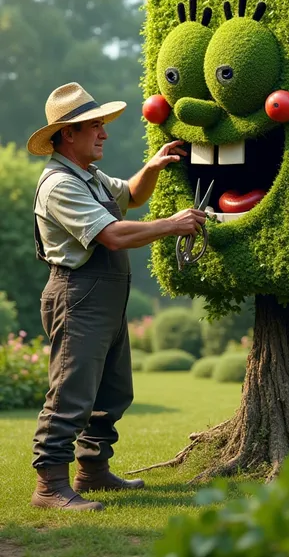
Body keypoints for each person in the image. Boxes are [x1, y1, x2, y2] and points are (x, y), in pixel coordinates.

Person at [27, 82, 205, 511]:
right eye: (95, 126)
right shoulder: (59, 185)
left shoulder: (89, 177)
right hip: (77, 296)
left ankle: (93, 471)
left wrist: (155, 166)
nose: (104, 133)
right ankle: (50, 486)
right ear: (68, 134)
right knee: (70, 393)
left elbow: (130, 196)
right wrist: (172, 224)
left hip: (103, 298)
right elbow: (111, 235)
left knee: (111, 392)